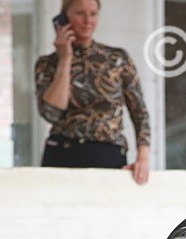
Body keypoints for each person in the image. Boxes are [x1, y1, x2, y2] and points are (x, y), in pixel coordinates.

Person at [34, 0, 151, 185]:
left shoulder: (117, 59)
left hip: (108, 152)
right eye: (80, 13)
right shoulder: (47, 64)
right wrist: (65, 59)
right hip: (63, 151)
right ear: (64, 17)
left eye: (93, 14)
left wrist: (143, 158)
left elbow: (140, 112)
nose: (88, 20)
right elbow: (51, 113)